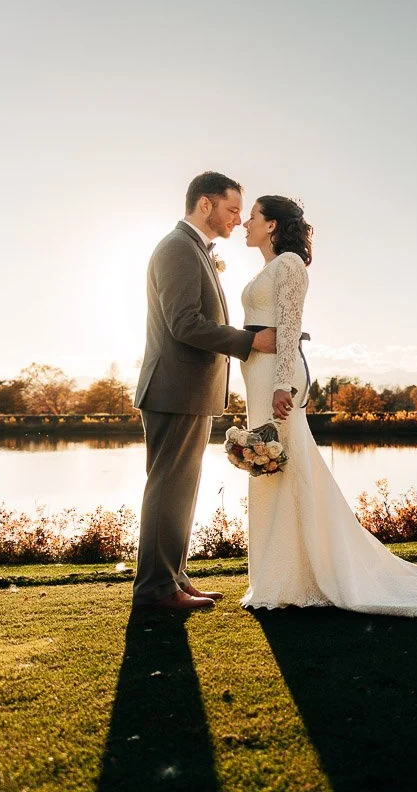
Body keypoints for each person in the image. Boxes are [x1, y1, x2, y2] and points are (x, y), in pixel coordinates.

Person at [238, 195, 417, 615]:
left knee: (285, 464)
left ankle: (293, 578)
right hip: (257, 377)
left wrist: (282, 384)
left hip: (276, 379)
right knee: (271, 469)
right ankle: (278, 575)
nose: (245, 222)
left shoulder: (290, 265)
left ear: (273, 225)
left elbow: (291, 325)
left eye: (254, 216)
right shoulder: (267, 268)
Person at [131, 172, 277, 610]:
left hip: (186, 391)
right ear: (206, 205)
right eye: (233, 209)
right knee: (168, 489)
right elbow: (184, 324)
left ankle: (173, 577)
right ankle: (155, 590)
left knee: (180, 489)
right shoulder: (178, 248)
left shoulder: (195, 249)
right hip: (173, 389)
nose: (238, 219)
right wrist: (249, 341)